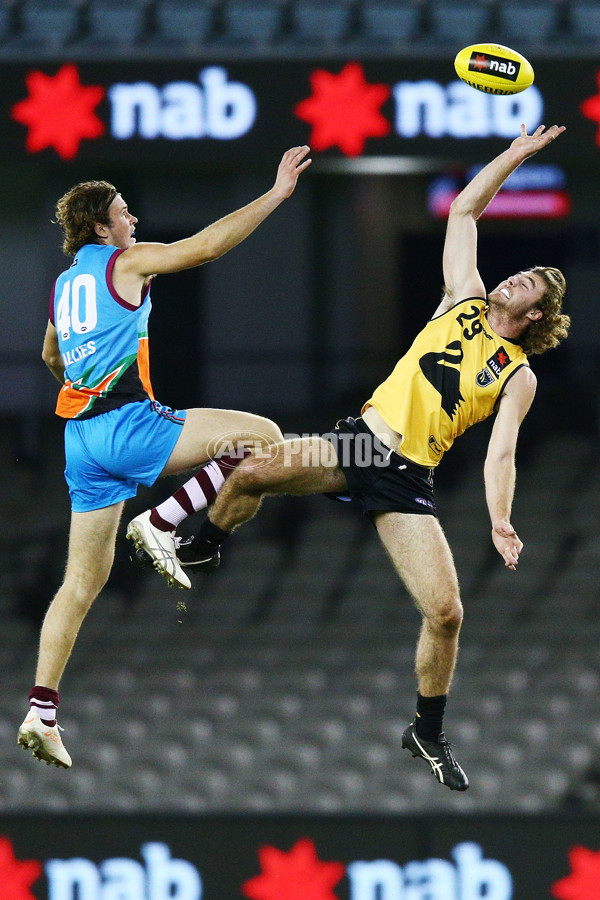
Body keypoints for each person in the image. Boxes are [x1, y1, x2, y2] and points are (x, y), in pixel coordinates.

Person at [136, 125, 571, 791]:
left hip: (406, 476)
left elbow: (502, 453)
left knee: (448, 613)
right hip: (360, 441)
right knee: (251, 469)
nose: (514, 280)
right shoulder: (463, 298)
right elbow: (463, 209)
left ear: (537, 316)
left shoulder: (518, 375)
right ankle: (201, 546)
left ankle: (426, 730)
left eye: (527, 286)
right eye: (519, 273)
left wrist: (499, 519)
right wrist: (513, 155)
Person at [17, 145, 312, 769]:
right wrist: (278, 193)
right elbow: (204, 247)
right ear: (102, 227)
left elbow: (50, 357)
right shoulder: (123, 262)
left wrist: (89, 374)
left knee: (80, 583)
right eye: (123, 213)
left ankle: (42, 709)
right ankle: (165, 521)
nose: (132, 220)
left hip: (81, 443)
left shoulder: (63, 285)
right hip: (127, 425)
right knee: (263, 435)